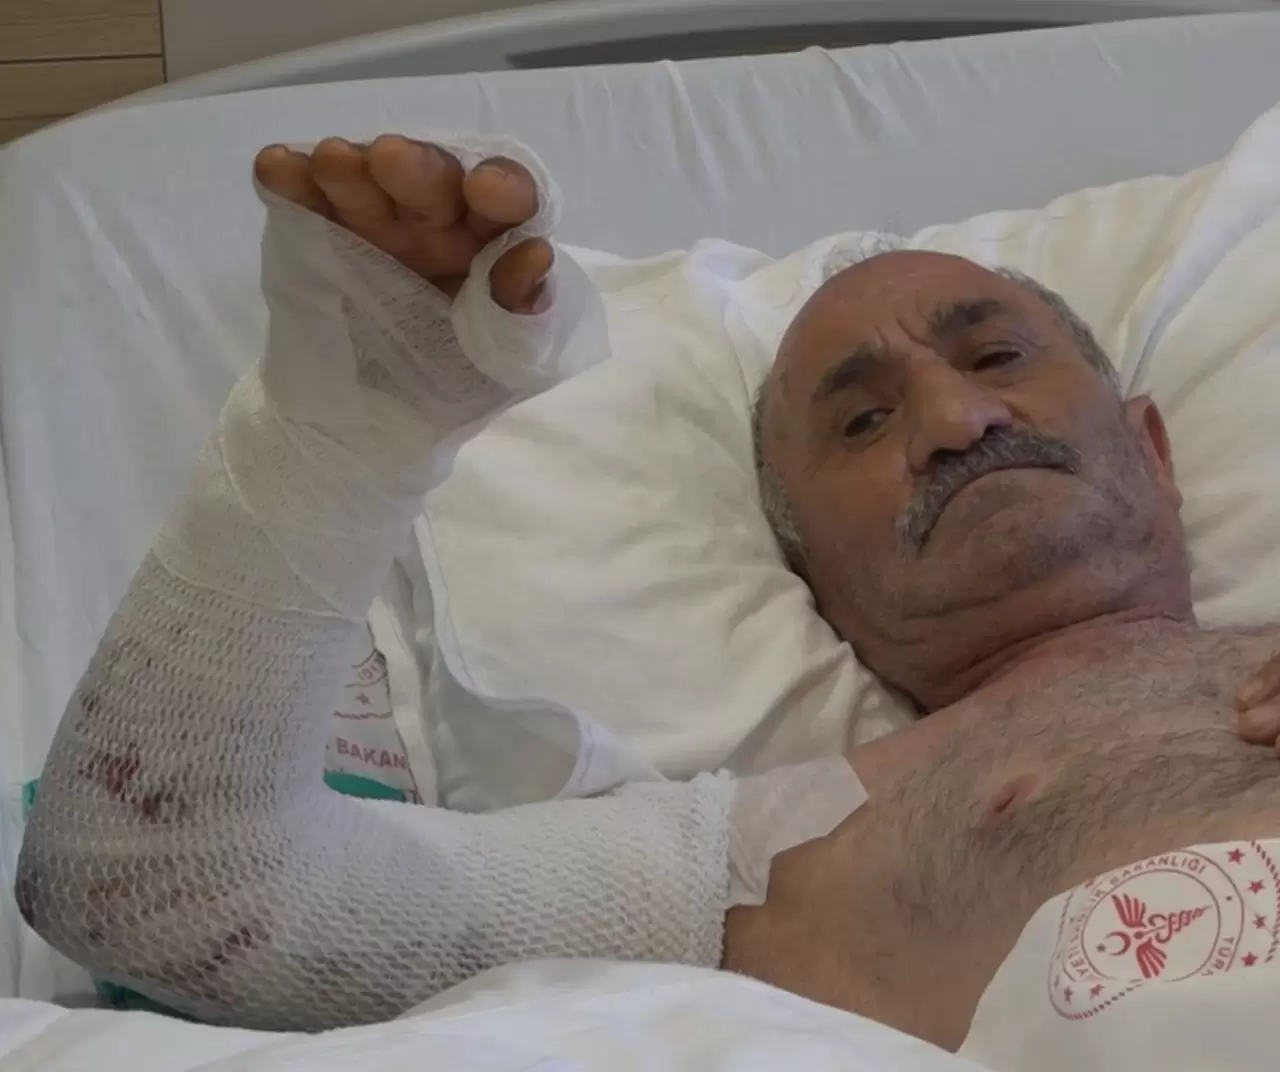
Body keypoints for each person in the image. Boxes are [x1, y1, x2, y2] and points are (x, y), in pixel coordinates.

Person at [15, 136, 1280, 1050]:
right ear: (813, 575)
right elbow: (156, 878)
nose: (954, 419)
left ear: (1153, 450)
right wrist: (347, 425)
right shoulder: (781, 862)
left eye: (994, 354)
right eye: (859, 422)